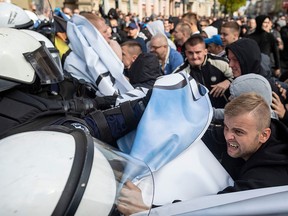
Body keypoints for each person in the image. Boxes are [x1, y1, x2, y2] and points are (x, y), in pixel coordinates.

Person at [116, 92, 288, 215]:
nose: (228, 136)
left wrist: (148, 209)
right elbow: (200, 134)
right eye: (226, 127)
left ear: (264, 135)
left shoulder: (268, 179)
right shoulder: (248, 132)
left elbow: (215, 210)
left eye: (238, 132)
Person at [0, 28, 149, 146]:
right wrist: (140, 106)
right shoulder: (23, 114)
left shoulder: (15, 103)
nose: (42, 70)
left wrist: (97, 102)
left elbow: (60, 106)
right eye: (38, 64)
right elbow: (91, 128)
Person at [174, 34, 233, 108]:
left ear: (205, 51)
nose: (195, 57)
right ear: (186, 53)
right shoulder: (180, 73)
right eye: (190, 53)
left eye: (198, 52)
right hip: (198, 115)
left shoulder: (220, 63)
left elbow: (239, 77)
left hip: (224, 111)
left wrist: (228, 82)